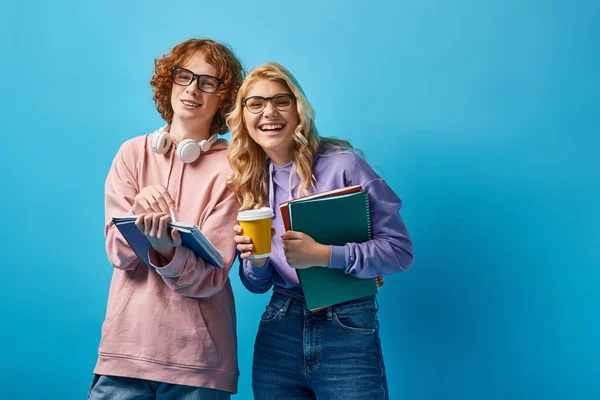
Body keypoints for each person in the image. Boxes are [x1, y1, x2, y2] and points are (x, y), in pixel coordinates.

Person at [226, 62, 414, 400]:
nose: (269, 111)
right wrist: (255, 261)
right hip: (279, 324)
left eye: (281, 100)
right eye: (255, 103)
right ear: (242, 116)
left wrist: (325, 255)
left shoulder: (344, 165)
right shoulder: (249, 182)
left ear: (298, 109)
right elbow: (258, 285)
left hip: (347, 323)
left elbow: (400, 251)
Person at [89, 38, 245, 400]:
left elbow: (211, 276)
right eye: (184, 76)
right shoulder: (132, 153)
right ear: (169, 81)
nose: (193, 89)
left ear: (225, 97)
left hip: (198, 364)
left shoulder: (235, 169)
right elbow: (118, 253)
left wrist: (167, 251)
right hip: (125, 352)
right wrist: (140, 219)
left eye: (209, 82)